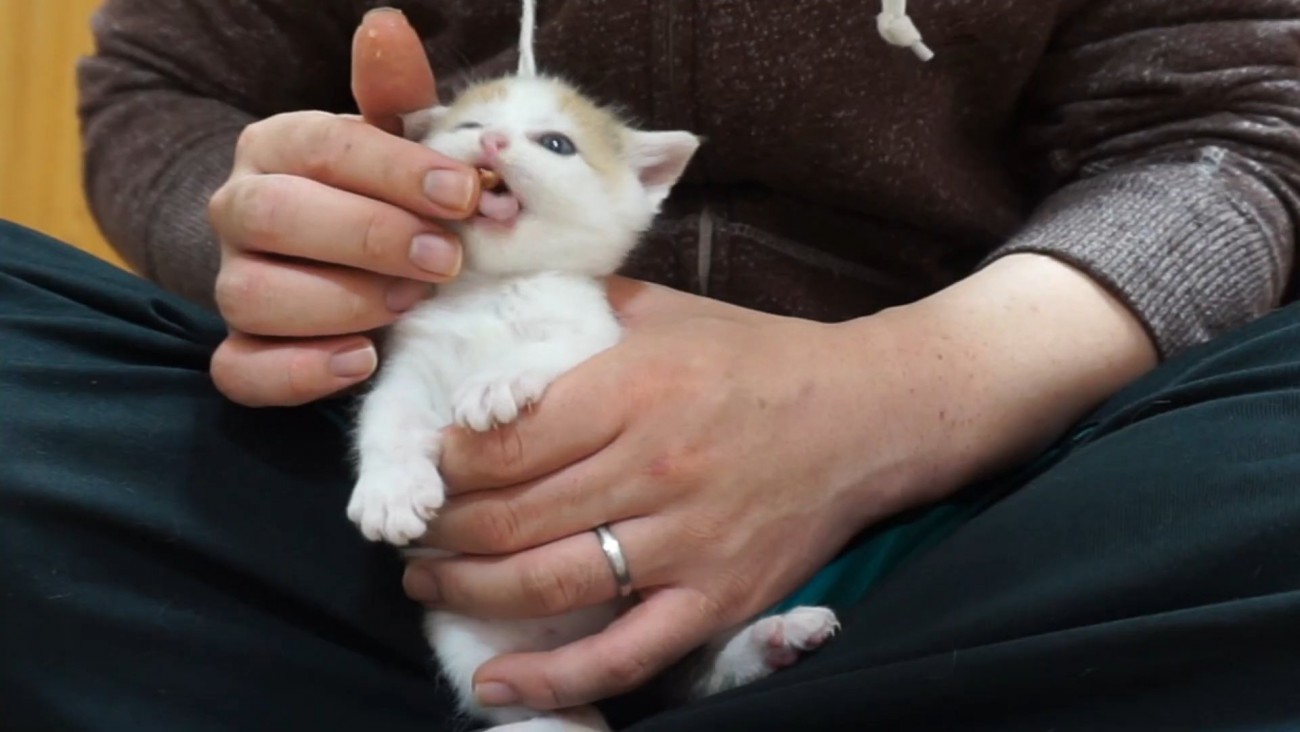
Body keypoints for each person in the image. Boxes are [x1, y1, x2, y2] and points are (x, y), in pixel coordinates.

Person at [4, 1, 1300, 728]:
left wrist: (908, 395)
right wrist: (303, 245)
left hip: (970, 511)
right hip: (393, 544)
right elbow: (161, 82)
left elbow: (1241, 127)